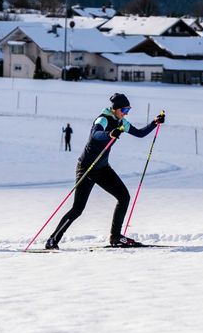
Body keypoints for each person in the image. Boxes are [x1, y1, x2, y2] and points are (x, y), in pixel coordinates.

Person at [46, 93, 164, 249]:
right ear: (115, 109)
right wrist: (110, 133)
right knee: (78, 209)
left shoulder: (122, 122)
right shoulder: (103, 119)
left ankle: (116, 237)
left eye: (128, 110)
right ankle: (53, 240)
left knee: (124, 197)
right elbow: (95, 135)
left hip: (102, 168)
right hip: (87, 167)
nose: (126, 113)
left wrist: (154, 123)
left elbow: (140, 133)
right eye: (124, 110)